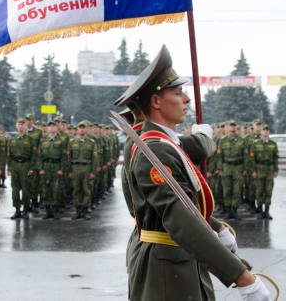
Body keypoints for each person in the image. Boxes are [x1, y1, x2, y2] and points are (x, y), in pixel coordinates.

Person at [115, 45, 271, 301]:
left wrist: (216, 228)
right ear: (156, 101)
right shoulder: (155, 150)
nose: (187, 99)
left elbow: (185, 202)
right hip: (166, 267)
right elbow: (179, 216)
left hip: (177, 257)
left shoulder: (164, 144)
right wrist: (241, 277)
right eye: (178, 93)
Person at [217, 120, 248, 219]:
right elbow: (219, 156)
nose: (232, 131)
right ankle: (228, 210)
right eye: (231, 129)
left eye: (234, 129)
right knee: (227, 190)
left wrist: (245, 169)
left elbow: (246, 156)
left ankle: (234, 210)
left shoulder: (242, 141)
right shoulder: (223, 140)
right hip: (226, 167)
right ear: (228, 129)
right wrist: (220, 169)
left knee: (237, 190)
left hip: (238, 167)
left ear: (236, 129)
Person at [68, 120, 98, 220]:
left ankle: (85, 211)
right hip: (75, 168)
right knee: (76, 189)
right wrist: (69, 171)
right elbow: (68, 158)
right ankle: (78, 211)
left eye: (83, 127)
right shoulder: (72, 142)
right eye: (80, 127)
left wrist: (93, 172)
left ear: (86, 129)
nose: (81, 129)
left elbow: (94, 158)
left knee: (86, 190)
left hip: (87, 168)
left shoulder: (91, 142)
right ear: (77, 129)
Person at [7, 118, 36, 219]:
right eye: (19, 124)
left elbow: (34, 155)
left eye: (22, 124)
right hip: (15, 165)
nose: (21, 126)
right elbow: (9, 154)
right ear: (16, 126)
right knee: (15, 190)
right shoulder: (12, 139)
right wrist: (9, 167)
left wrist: (32, 167)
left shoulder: (30, 140)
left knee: (25, 190)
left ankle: (25, 210)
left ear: (25, 126)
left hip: (26, 165)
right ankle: (17, 210)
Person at [37, 121, 67, 220]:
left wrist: (61, 169)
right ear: (47, 129)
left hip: (56, 166)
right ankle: (47, 211)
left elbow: (64, 157)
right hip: (46, 166)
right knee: (45, 188)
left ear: (56, 128)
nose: (51, 128)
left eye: (53, 126)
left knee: (56, 189)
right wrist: (40, 168)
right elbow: (39, 156)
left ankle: (54, 211)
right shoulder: (43, 141)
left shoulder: (61, 141)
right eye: (49, 126)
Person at [249, 125, 278, 219]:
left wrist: (275, 170)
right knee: (259, 190)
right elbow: (252, 159)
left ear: (269, 132)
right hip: (259, 169)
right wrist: (253, 170)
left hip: (269, 169)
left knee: (269, 190)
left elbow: (275, 158)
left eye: (267, 130)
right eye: (264, 130)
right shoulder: (256, 143)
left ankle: (267, 211)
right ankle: (260, 211)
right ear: (261, 132)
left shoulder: (273, 144)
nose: (265, 132)